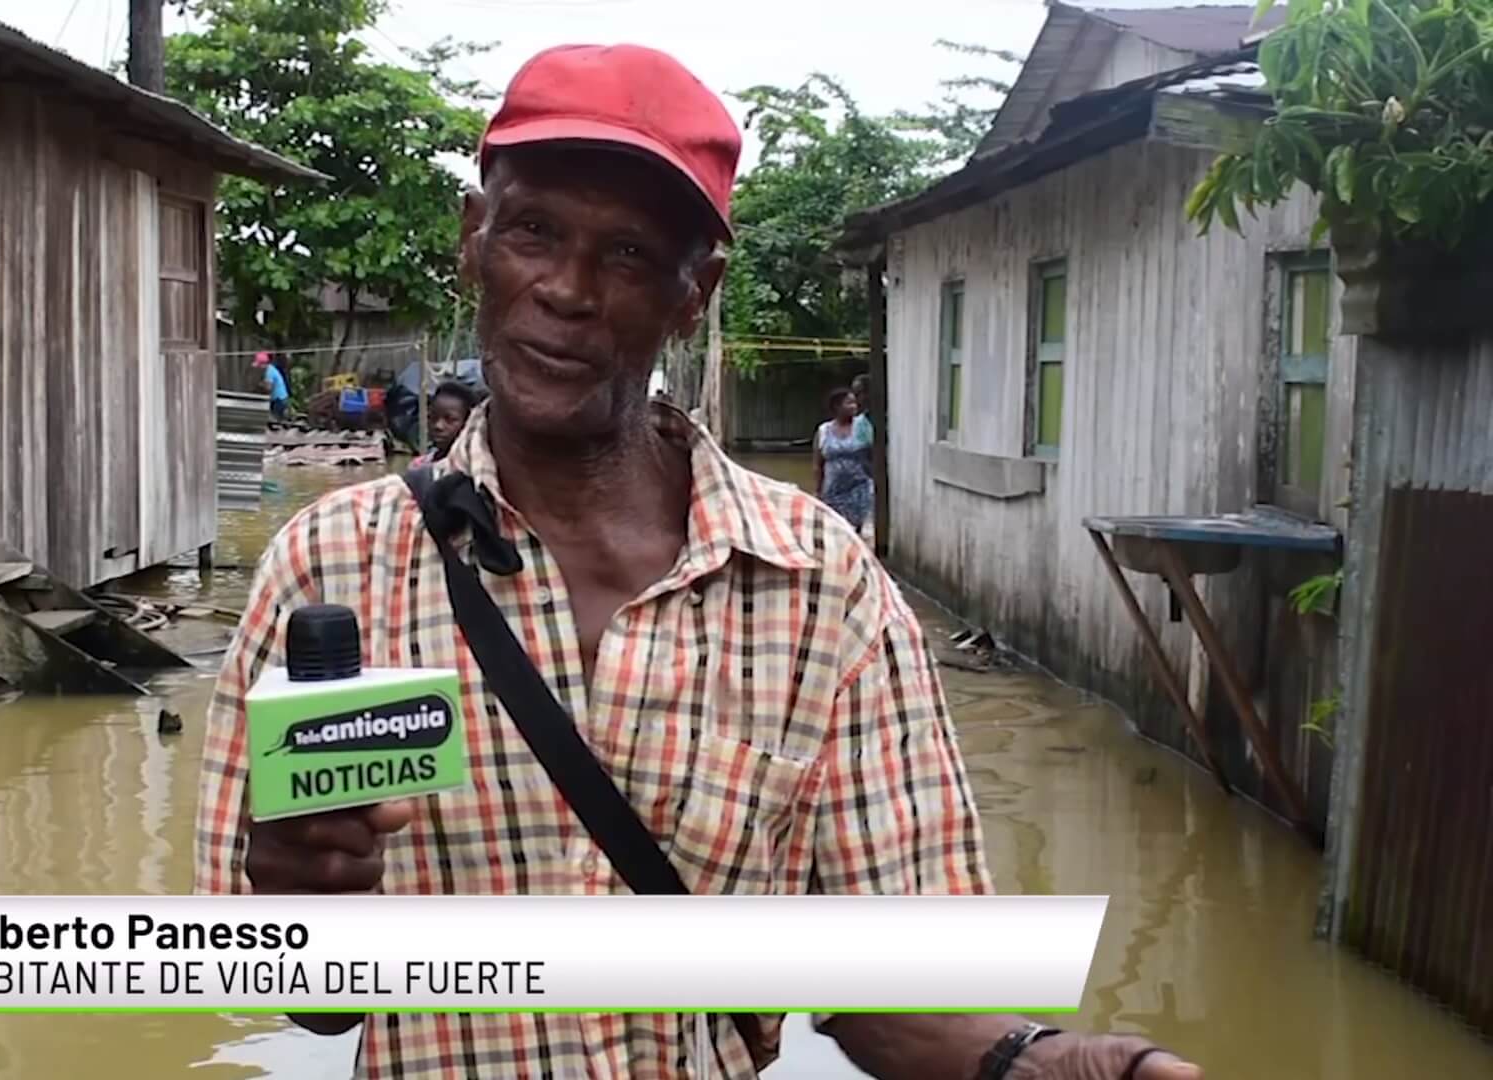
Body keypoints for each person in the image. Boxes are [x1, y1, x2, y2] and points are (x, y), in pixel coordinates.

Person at [197, 43, 1200, 1080]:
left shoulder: (822, 589)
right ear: (473, 239)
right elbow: (301, 1008)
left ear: (695, 291)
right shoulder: (329, 569)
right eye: (534, 230)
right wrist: (297, 904)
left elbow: (896, 993)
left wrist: (1032, 1064)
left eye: (628, 254)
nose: (568, 290)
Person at [814, 376, 875, 534]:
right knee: (834, 531)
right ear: (836, 407)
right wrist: (817, 491)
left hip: (859, 489)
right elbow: (818, 465)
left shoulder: (862, 426)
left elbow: (872, 454)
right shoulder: (823, 431)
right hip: (833, 492)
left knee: (856, 533)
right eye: (849, 403)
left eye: (855, 402)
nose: (854, 406)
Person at [409, 380, 484, 469]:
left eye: (450, 420)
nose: (438, 426)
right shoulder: (419, 466)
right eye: (432, 417)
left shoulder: (475, 468)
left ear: (467, 421)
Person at [255, 350, 290, 422]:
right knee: (277, 422)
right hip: (281, 398)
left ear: (263, 364)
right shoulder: (271, 369)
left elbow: (268, 388)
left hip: (279, 400)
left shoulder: (269, 372)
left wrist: (261, 385)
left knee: (275, 422)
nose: (258, 367)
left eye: (259, 365)